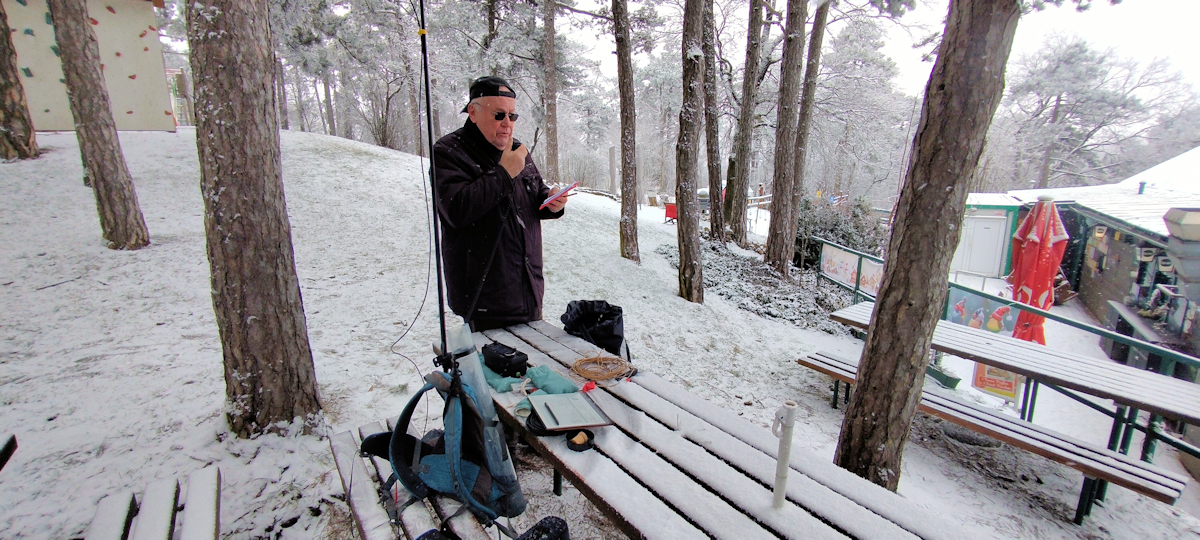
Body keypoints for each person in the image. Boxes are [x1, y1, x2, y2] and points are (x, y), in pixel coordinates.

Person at [433, 76, 570, 331]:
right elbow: (456, 210)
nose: (507, 123)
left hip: (528, 287)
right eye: (499, 115)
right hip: (484, 298)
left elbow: (533, 192)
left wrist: (551, 201)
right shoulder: (448, 152)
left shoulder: (517, 150)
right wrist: (504, 173)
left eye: (512, 116)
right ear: (473, 112)